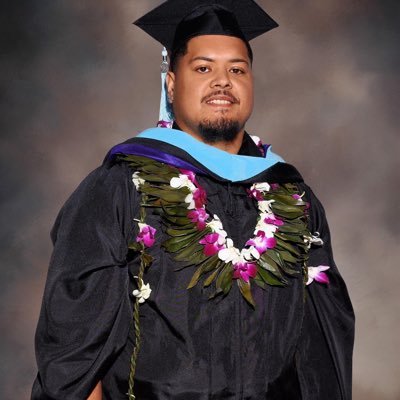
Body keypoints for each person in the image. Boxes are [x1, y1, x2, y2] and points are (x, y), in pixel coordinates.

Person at [32, 1, 355, 399]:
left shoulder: (295, 201)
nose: (223, 81)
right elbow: (72, 355)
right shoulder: (121, 189)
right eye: (203, 68)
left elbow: (322, 350)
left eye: (237, 69)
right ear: (171, 82)